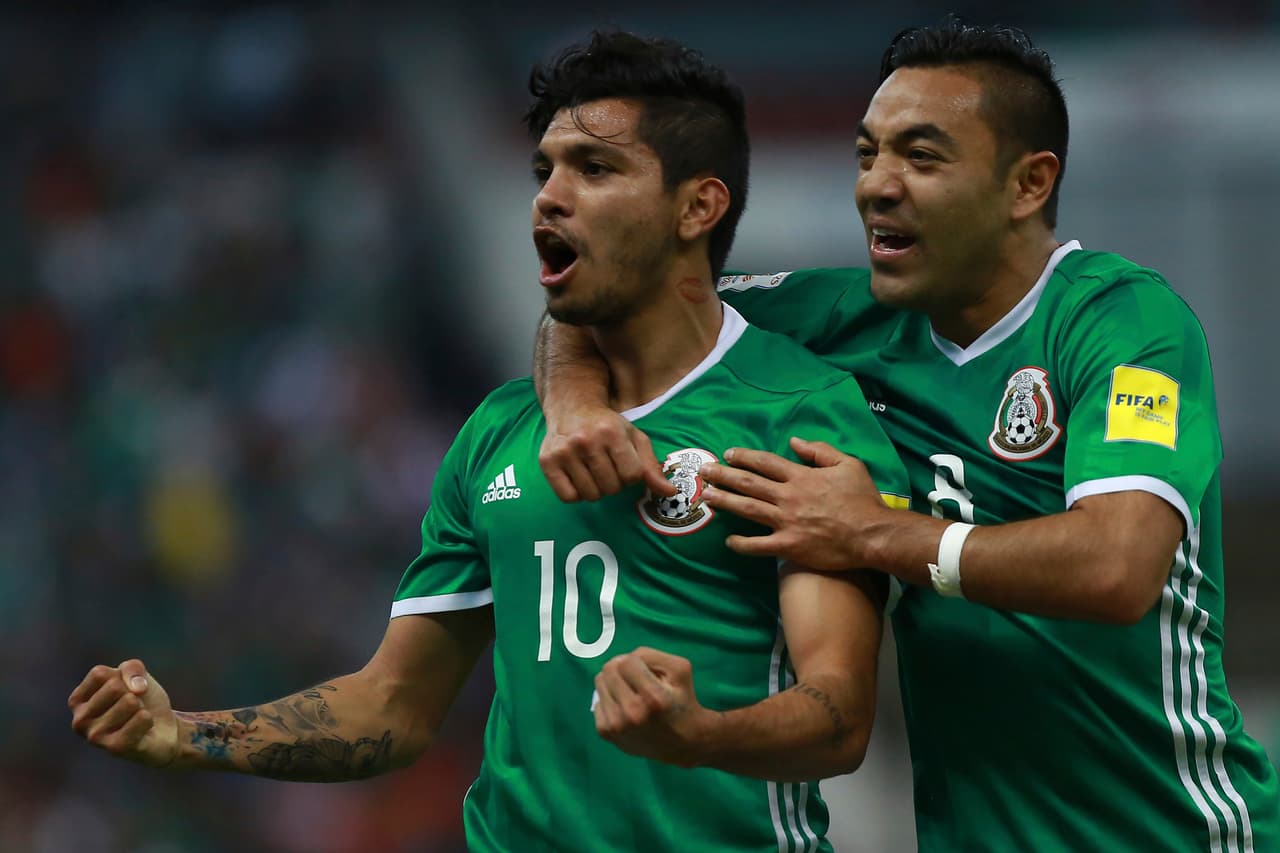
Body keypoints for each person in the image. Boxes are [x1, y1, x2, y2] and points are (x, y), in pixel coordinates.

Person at [68, 30, 912, 852]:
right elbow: (392, 706)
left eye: (596, 168)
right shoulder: (499, 430)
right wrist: (188, 735)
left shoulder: (800, 409)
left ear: (698, 205)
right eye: (544, 170)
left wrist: (700, 731)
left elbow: (838, 717)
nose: (550, 195)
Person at [533, 18, 1280, 852]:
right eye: (866, 154)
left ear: (1027, 184)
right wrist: (575, 406)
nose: (877, 187)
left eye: (920, 158)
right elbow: (609, 289)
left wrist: (873, 531)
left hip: (1170, 831)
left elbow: (1118, 567)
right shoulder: (841, 317)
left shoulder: (1120, 320)